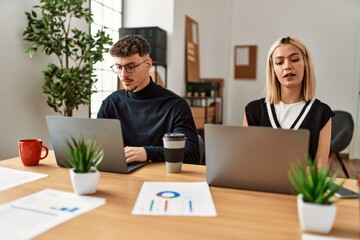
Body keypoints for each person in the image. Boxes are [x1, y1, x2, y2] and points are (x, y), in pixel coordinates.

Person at [98, 35, 200, 164]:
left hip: (160, 179)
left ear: (148, 64)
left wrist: (147, 153)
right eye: (119, 67)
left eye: (130, 67)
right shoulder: (110, 103)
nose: (123, 75)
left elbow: (191, 154)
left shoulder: (176, 106)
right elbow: (99, 149)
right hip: (122, 176)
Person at [243, 36, 333, 168]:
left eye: (295, 60)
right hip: (261, 187)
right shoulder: (253, 110)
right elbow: (247, 161)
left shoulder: (322, 113)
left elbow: (320, 169)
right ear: (273, 70)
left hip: (301, 188)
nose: (287, 66)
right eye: (279, 62)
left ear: (306, 64)